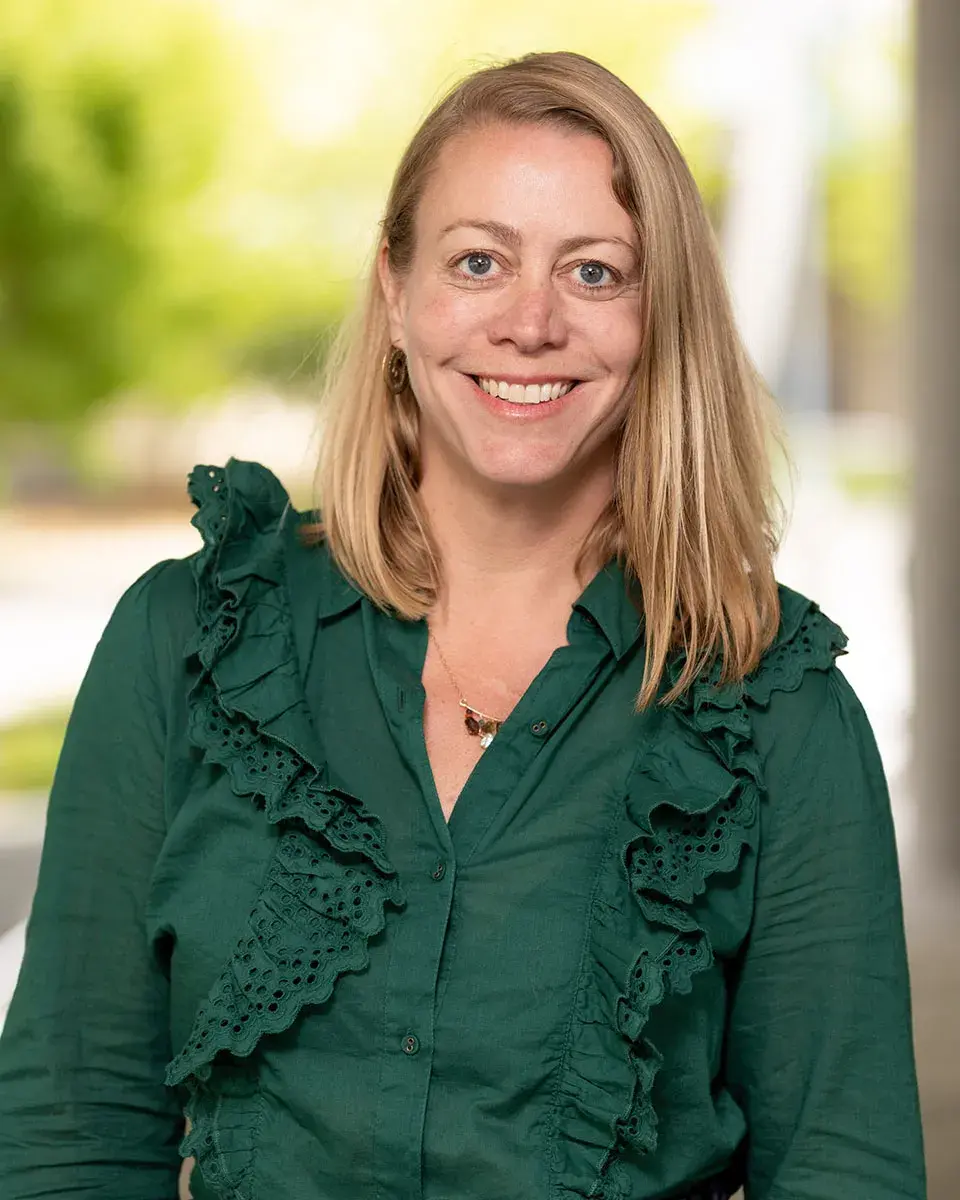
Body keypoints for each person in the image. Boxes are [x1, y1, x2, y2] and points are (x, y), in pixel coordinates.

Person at [0, 50, 925, 1200]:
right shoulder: (187, 642)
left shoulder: (773, 706)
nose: (529, 323)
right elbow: (71, 1131)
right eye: (478, 261)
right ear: (395, 290)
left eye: (595, 273)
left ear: (661, 317)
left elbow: (844, 1165)